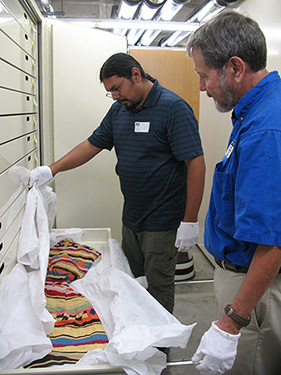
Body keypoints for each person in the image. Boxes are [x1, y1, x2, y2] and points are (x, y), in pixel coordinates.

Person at [31, 53, 205, 315]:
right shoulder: (119, 110)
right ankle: (134, 337)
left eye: (116, 88)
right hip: (132, 216)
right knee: (132, 282)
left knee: (158, 288)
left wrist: (190, 220)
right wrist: (51, 170)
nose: (114, 96)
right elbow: (92, 145)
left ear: (136, 75)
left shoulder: (173, 108)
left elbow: (196, 163)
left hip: (162, 220)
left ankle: (158, 350)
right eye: (109, 92)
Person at [186, 10, 281, 375]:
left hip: (253, 293)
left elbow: (271, 242)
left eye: (204, 75)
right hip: (240, 283)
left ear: (235, 68)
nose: (202, 87)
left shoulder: (264, 129)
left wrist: (231, 324)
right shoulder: (251, 114)